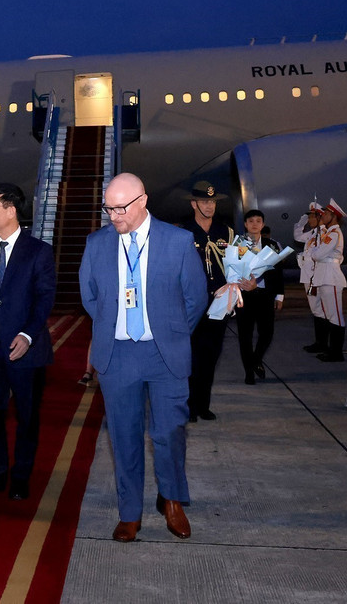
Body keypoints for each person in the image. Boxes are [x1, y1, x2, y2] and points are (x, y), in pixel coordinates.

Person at [79, 173, 207, 542]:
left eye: (121, 208)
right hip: (118, 355)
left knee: (169, 432)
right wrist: (113, 325)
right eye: (109, 209)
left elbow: (196, 298)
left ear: (143, 201)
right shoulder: (97, 243)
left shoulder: (177, 241)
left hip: (164, 355)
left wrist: (171, 332)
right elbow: (90, 296)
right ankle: (129, 512)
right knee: (124, 437)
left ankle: (171, 499)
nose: (114, 216)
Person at [0, 183, 56, 503]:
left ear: (11, 210)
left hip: (27, 351)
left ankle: (21, 477)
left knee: (27, 416)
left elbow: (44, 299)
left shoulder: (39, 251)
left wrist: (28, 334)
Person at [180, 180, 240, 421]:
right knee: (190, 356)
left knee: (211, 355)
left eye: (213, 202)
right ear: (194, 204)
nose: (209, 206)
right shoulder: (183, 233)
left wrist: (245, 281)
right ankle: (188, 407)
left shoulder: (227, 233)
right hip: (191, 304)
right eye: (204, 201)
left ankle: (202, 404)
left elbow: (237, 266)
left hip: (219, 303)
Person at [235, 210, 285, 385]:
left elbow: (278, 272)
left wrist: (279, 296)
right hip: (245, 296)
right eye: (251, 221)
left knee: (267, 333)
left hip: (265, 295)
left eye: (258, 221)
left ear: (263, 224)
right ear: (245, 224)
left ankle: (256, 359)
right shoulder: (238, 244)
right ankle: (249, 372)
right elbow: (231, 269)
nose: (254, 224)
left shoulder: (272, 245)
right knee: (245, 336)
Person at [305, 199, 347, 362]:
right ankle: (331, 350)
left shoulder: (334, 234)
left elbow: (316, 255)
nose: (323, 216)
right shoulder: (328, 233)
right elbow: (317, 253)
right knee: (330, 315)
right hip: (324, 277)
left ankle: (336, 353)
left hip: (331, 278)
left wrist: (317, 252)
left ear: (334, 216)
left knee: (335, 316)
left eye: (327, 214)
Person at [295, 202, 327, 353]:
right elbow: (297, 236)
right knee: (315, 309)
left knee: (320, 309)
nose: (309, 220)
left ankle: (322, 343)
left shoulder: (324, 234)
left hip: (317, 277)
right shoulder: (312, 233)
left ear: (319, 217)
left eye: (311, 217)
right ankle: (319, 342)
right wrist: (301, 221)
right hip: (308, 277)